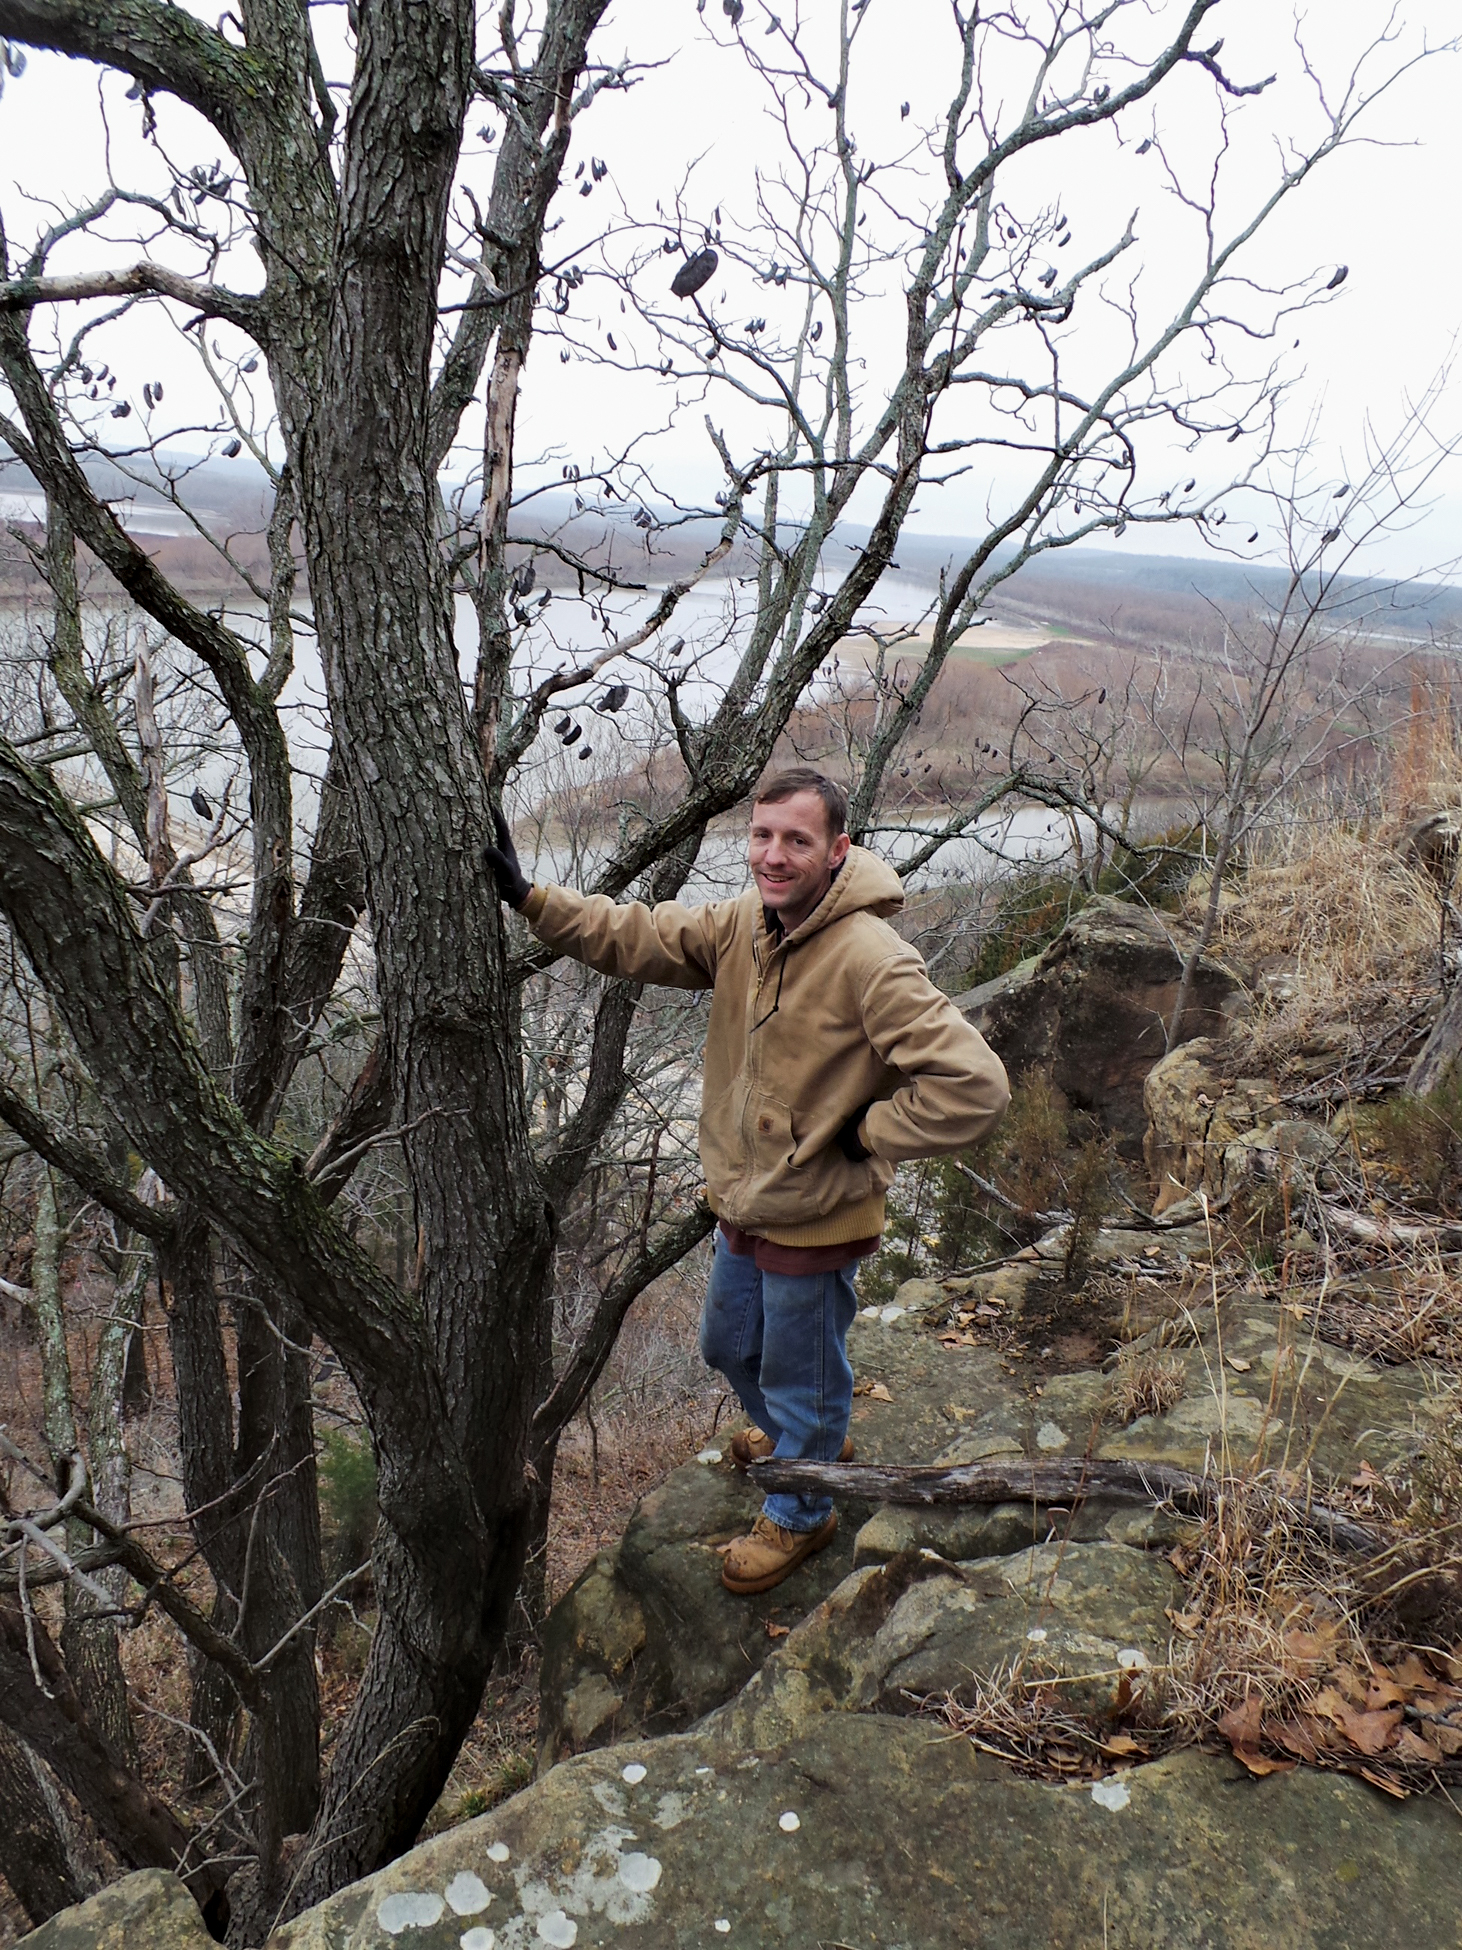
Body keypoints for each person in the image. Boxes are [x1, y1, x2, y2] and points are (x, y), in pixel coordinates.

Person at [483, 767, 1009, 1594]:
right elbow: (638, 935)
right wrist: (529, 898)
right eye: (762, 836)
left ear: (837, 851)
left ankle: (806, 1507)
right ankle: (810, 1435)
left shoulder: (870, 957)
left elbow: (976, 1087)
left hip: (815, 1214)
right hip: (746, 1199)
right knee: (727, 1346)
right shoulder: (745, 926)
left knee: (801, 1369)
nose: (774, 854)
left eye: (797, 840)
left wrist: (867, 1135)